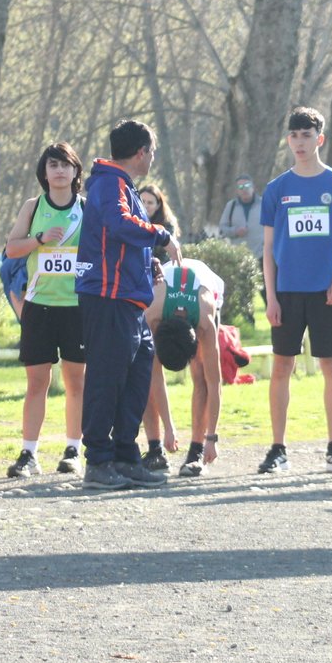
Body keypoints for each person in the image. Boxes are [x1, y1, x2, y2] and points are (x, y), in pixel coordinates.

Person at [74, 119, 180, 491]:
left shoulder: (121, 185)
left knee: (136, 377)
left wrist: (145, 260)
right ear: (141, 152)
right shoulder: (108, 182)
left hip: (129, 298)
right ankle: (99, 461)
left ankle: (124, 454)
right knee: (106, 379)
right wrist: (160, 236)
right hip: (107, 296)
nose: (152, 159)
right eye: (152, 152)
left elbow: (115, 236)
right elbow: (119, 225)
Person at [257, 106, 332, 474]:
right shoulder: (276, 190)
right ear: (288, 140)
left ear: (320, 139)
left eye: (307, 136)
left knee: (330, 365)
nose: (300, 143)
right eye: (294, 136)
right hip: (286, 292)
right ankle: (277, 449)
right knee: (282, 366)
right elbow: (268, 250)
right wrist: (271, 297)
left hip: (325, 292)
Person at [1, 142, 88, 479]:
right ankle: (29, 453)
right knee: (37, 382)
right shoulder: (33, 206)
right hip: (39, 305)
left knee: (76, 382)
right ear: (45, 172)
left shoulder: (86, 209)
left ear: (76, 171)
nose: (60, 170)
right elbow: (11, 250)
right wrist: (39, 239)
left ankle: (72, 450)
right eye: (53, 165)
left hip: (76, 306)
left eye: (66, 165)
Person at [142, 255, 225, 478]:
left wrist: (212, 438)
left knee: (201, 376)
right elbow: (155, 377)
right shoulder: (151, 315)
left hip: (205, 284)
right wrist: (169, 427)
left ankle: (196, 451)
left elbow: (215, 383)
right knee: (143, 373)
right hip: (167, 285)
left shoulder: (205, 321)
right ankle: (155, 449)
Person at [136, 182, 180, 470]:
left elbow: (173, 268)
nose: (147, 206)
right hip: (139, 305)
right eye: (143, 202)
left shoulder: (166, 232)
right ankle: (154, 441)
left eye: (151, 202)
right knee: (147, 373)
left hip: (164, 303)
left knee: (157, 369)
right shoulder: (131, 227)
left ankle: (171, 431)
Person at [218, 175, 265, 263]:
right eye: (240, 187)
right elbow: (222, 229)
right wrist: (235, 231)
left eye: (247, 186)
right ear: (237, 191)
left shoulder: (264, 204)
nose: (244, 189)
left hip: (261, 256)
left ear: (253, 187)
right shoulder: (231, 206)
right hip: (238, 258)